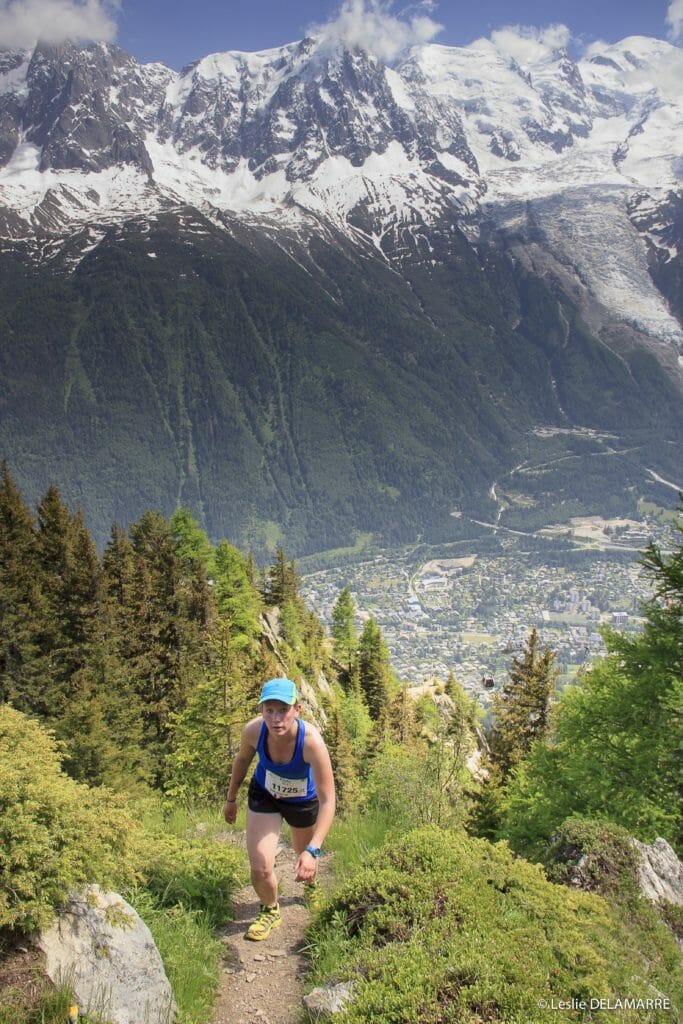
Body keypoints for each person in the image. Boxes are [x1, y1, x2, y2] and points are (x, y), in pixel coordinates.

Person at [223, 677, 336, 941]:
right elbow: (242, 759)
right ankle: (270, 909)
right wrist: (230, 799)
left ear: (297, 710)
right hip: (265, 795)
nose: (276, 719)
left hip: (301, 801)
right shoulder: (253, 731)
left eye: (283, 710)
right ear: (262, 711)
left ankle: (311, 887)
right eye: (269, 710)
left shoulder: (311, 743)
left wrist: (314, 849)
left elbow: (328, 800)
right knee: (260, 866)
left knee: (303, 857)